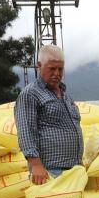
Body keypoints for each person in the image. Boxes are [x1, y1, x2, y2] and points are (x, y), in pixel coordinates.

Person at [14, 44, 83, 184]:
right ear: (39, 66)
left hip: (74, 169)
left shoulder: (65, 95)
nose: (57, 73)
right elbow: (26, 132)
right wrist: (36, 165)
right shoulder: (31, 94)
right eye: (52, 69)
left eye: (60, 69)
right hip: (49, 171)